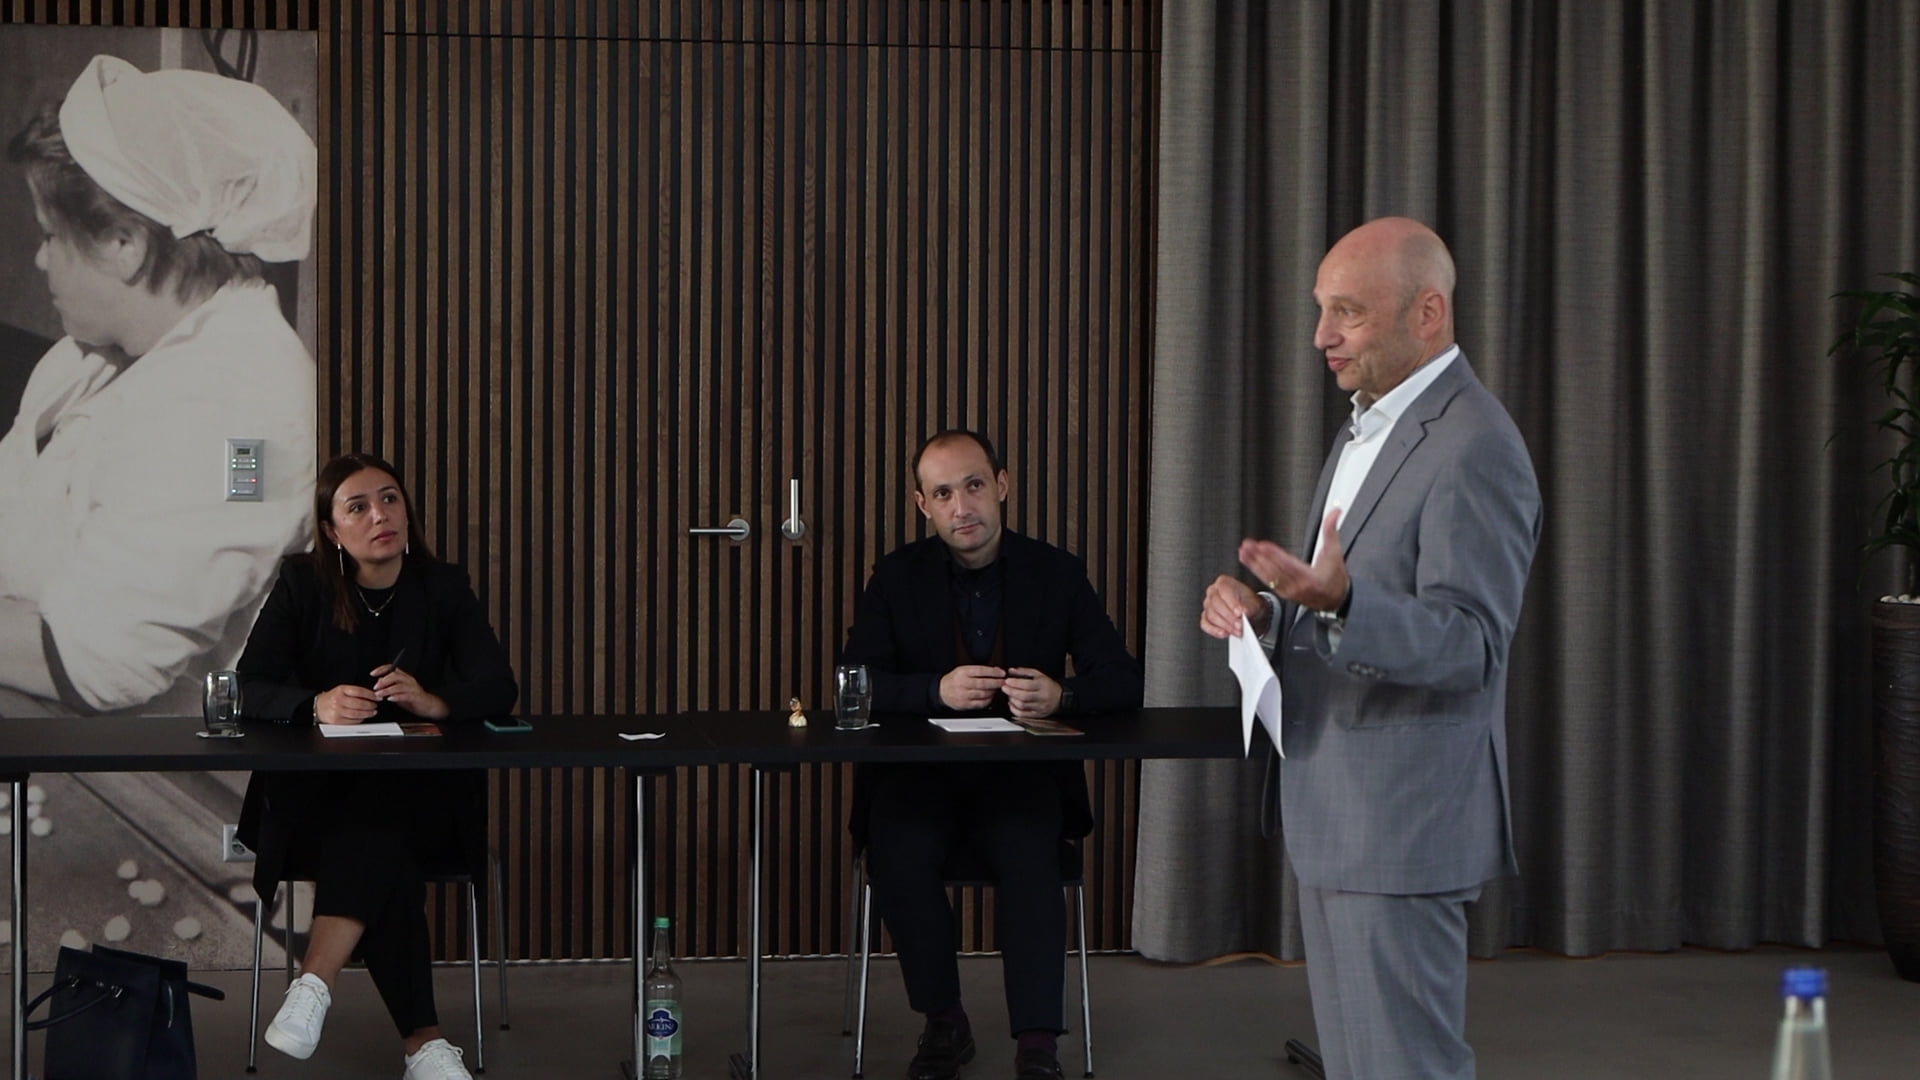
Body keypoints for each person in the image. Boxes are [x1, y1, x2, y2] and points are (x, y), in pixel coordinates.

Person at [1199, 217, 1542, 1080]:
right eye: (1321, 310)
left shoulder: (1476, 445)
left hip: (1401, 826)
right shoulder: (1368, 426)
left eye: (1347, 313)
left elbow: (1471, 645)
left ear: (1428, 313)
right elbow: (1340, 601)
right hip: (1339, 815)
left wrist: (1344, 601)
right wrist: (1269, 615)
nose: (1322, 336)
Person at [0, 53, 316, 716]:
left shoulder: (244, 418)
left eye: (51, 235)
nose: (39, 258)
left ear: (124, 244)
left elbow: (96, 661)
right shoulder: (92, 354)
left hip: (133, 753)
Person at [841, 430, 1144, 1080]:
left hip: (1020, 776)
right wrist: (935, 689)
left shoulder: (1057, 572)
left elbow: (1123, 679)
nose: (962, 507)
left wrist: (1063, 693)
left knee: (1031, 850)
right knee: (896, 848)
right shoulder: (895, 576)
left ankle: (1037, 1045)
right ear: (923, 505)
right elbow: (856, 681)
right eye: (943, 493)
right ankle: (945, 1022)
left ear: (1001, 486)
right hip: (919, 778)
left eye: (974, 485)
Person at [236, 453, 517, 1080]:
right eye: (357, 507)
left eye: (389, 499)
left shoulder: (442, 586)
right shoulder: (302, 583)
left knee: (383, 819)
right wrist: (315, 705)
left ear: (406, 512)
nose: (379, 516)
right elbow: (249, 684)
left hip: (427, 809)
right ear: (332, 529)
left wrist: (435, 701)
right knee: (386, 846)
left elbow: (499, 686)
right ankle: (424, 1046)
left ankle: (315, 983)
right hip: (314, 809)